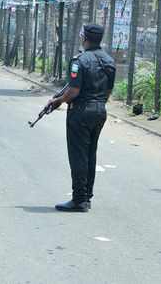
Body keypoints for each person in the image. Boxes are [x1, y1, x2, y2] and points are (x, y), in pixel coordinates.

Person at [43, 24, 117, 212]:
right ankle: (86, 196)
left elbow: (74, 91)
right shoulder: (109, 61)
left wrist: (58, 100)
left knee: (78, 156)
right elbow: (108, 91)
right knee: (90, 154)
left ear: (84, 38)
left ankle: (78, 199)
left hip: (80, 112)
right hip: (100, 111)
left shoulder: (79, 61)